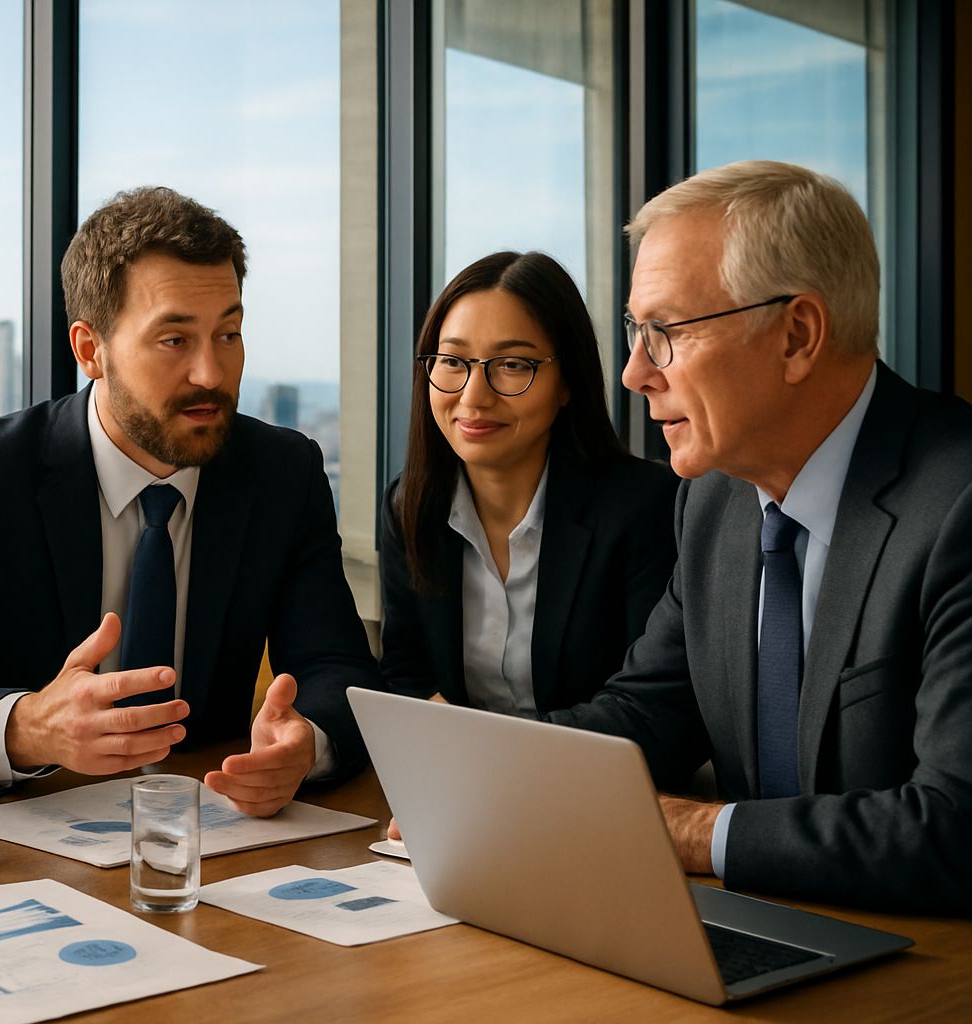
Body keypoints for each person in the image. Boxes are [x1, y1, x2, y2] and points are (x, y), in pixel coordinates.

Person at [0, 186, 380, 812]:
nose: (212, 374)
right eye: (174, 341)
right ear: (89, 350)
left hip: (210, 823)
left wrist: (305, 743)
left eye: (229, 334)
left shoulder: (281, 473)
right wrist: (30, 726)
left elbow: (338, 669)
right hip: (25, 829)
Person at [546, 160, 972, 914]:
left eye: (665, 331)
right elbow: (647, 714)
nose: (634, 373)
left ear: (797, 334)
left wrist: (691, 832)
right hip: (764, 933)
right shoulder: (712, 501)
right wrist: (485, 778)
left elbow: (956, 828)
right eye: (634, 332)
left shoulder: (959, 504)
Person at [380, 251, 677, 716]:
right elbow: (406, 676)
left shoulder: (642, 507)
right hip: (457, 780)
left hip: (592, 784)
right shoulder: (411, 504)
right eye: (453, 361)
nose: (474, 396)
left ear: (567, 382)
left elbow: (650, 708)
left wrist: (487, 753)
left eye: (514, 365)